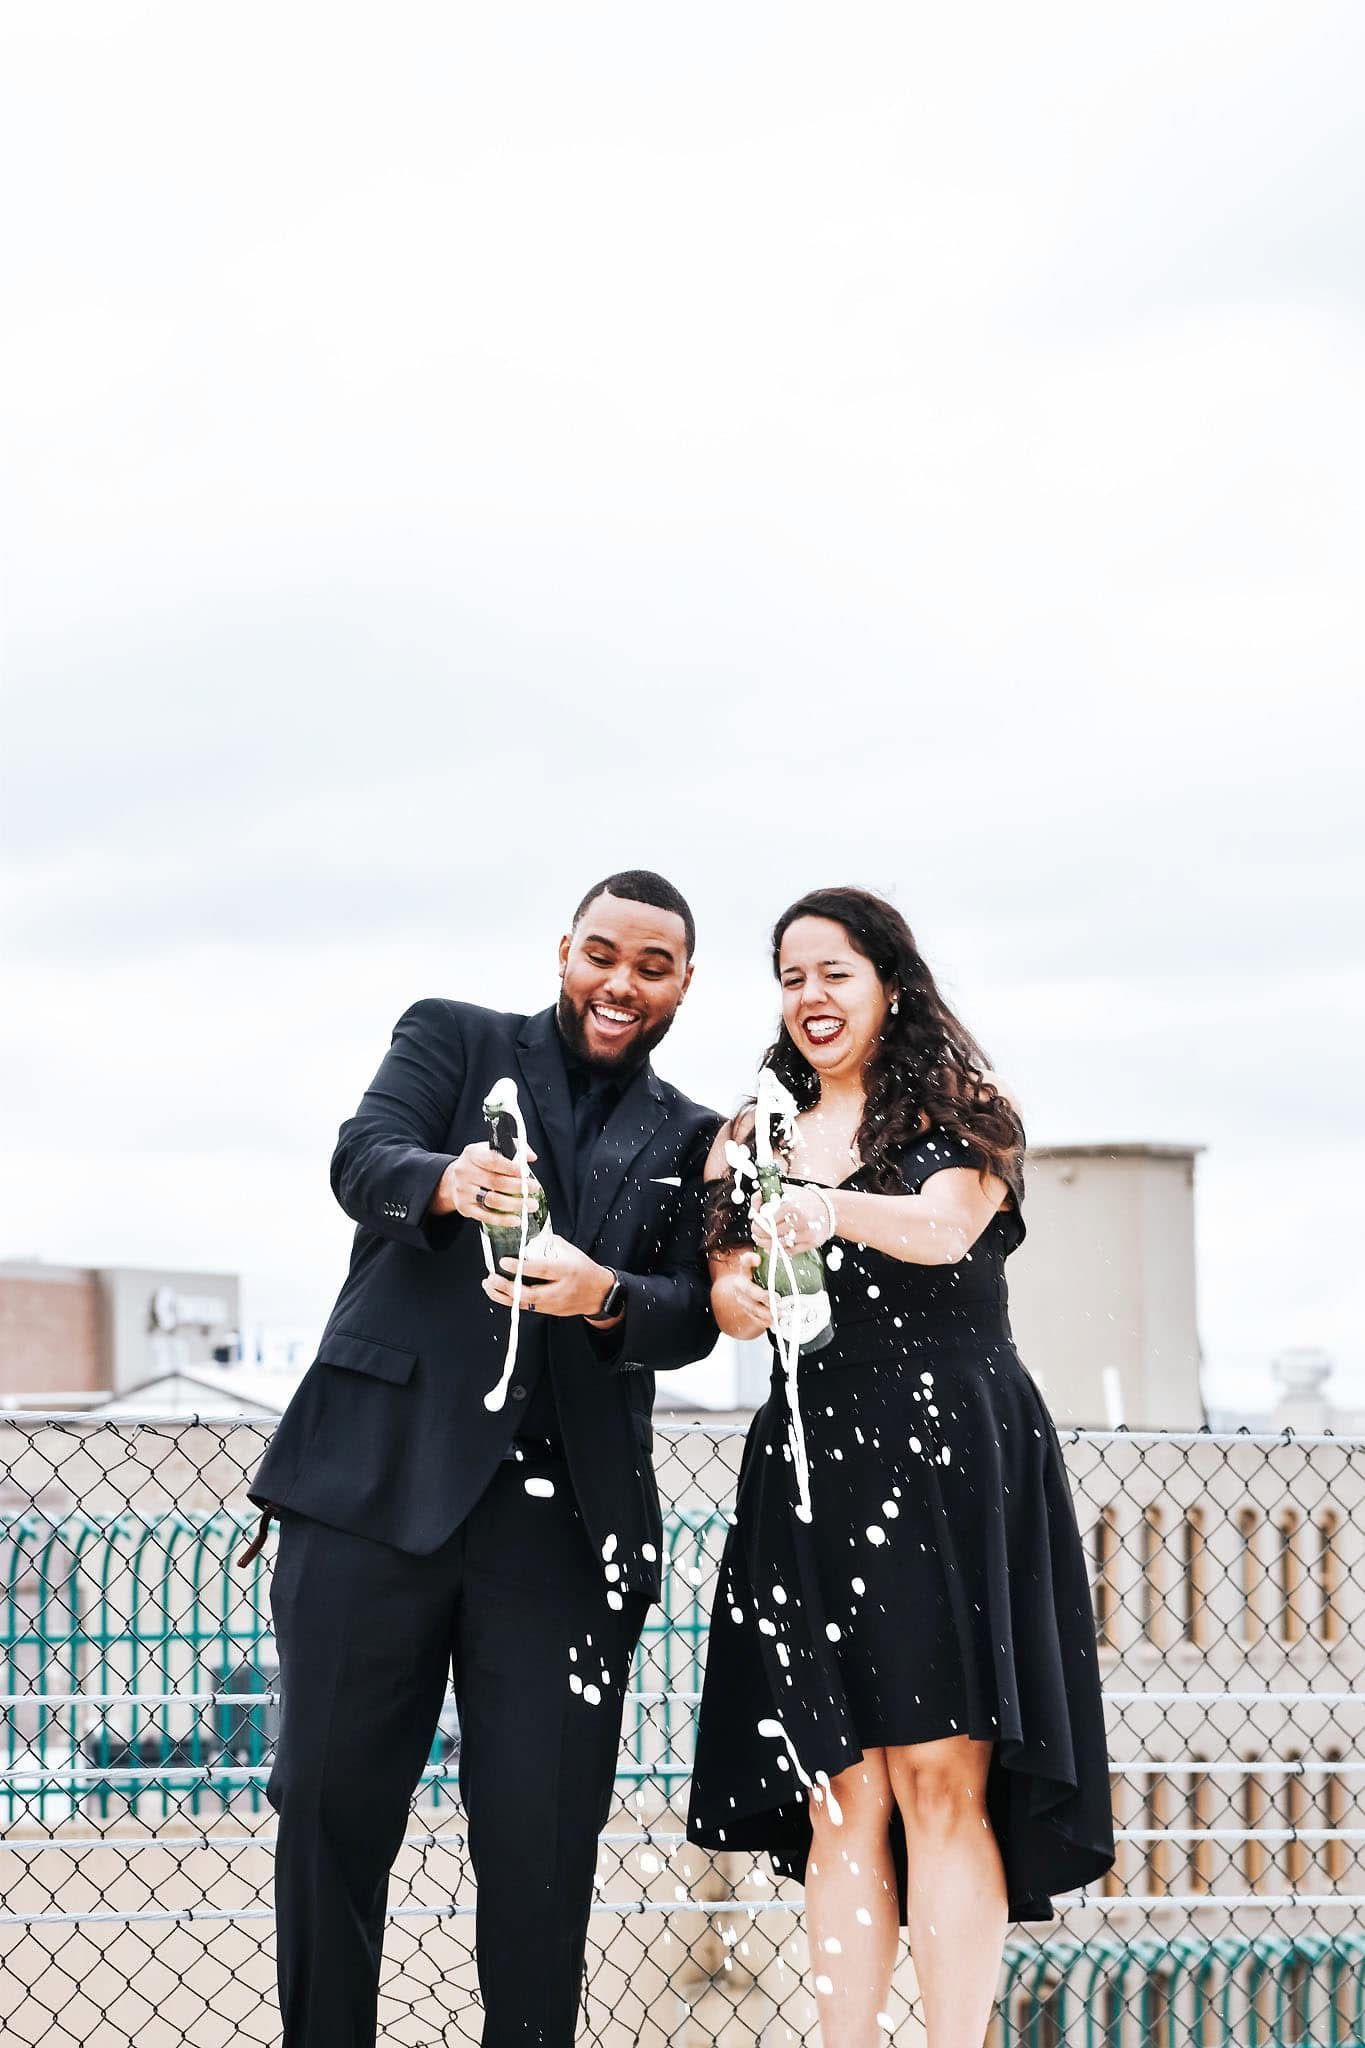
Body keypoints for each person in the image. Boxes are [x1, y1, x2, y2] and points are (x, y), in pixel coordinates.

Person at [247, 870, 720, 2048]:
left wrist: (605, 1292)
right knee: (326, 1816)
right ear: (565, 950)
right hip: (370, 1491)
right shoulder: (450, 1037)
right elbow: (365, 1154)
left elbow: (694, 1312)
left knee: (543, 1847)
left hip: (564, 1534)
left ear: (683, 984)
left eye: (651, 966)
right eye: (601, 953)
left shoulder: (693, 1133)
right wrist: (445, 1181)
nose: (620, 983)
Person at [687, 887, 1113, 2048]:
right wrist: (750, 1286)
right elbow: (728, 1296)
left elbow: (941, 1228)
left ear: (889, 980)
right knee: (842, 1788)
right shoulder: (750, 1128)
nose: (810, 997)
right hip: (812, 1459)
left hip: (950, 1451)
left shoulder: (968, 1113)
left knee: (938, 1776)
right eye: (790, 976)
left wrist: (826, 1209)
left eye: (833, 972)